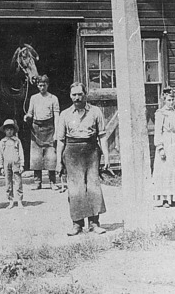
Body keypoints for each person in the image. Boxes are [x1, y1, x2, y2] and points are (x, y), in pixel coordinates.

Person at [56, 82, 109, 236]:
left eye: (80, 94)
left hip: (91, 151)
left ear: (85, 94)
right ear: (70, 95)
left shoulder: (95, 112)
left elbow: (102, 136)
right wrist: (59, 161)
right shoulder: (65, 114)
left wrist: (105, 155)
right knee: (75, 189)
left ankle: (94, 223)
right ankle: (77, 224)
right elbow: (60, 140)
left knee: (93, 186)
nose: (77, 98)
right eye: (74, 95)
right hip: (72, 153)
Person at [151, 87, 175, 208]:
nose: (171, 102)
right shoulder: (160, 113)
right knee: (166, 170)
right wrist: (160, 147)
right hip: (166, 142)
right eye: (168, 100)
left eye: (173, 100)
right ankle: (166, 199)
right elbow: (157, 132)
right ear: (164, 100)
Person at [24, 75, 61, 190]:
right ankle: (37, 182)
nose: (42, 87)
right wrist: (27, 116)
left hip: (49, 128)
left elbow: (57, 115)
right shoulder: (34, 98)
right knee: (36, 157)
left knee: (51, 156)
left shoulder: (53, 98)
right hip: (36, 129)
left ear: (47, 85)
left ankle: (52, 182)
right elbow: (30, 112)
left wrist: (56, 131)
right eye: (40, 85)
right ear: (37, 86)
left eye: (44, 85)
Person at [0, 119, 25, 209]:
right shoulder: (3, 142)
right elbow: (0, 154)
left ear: (13, 130)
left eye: (11, 129)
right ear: (5, 131)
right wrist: (1, 166)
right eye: (7, 130)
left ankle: (20, 200)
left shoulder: (17, 141)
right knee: (8, 183)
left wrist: (22, 164)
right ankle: (10, 201)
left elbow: (21, 152)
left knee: (18, 182)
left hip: (16, 163)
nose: (9, 131)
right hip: (6, 164)